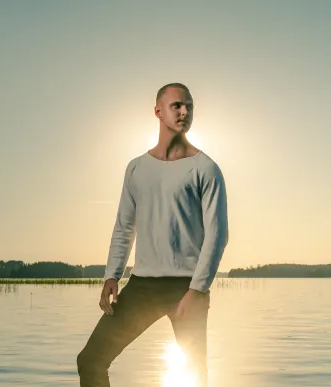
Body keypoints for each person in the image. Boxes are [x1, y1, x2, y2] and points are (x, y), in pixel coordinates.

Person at [76, 82, 229, 387]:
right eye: (177, 105)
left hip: (187, 289)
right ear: (158, 111)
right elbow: (124, 226)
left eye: (189, 106)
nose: (184, 111)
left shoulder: (205, 168)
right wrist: (111, 275)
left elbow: (217, 234)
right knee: (90, 360)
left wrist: (197, 290)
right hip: (141, 286)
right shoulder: (136, 169)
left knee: (196, 378)